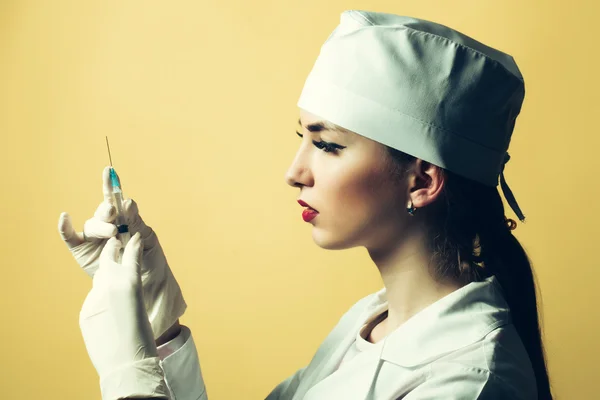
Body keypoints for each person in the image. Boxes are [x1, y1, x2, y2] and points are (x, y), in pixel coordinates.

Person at [57, 10, 553, 400]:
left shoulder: (470, 383)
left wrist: (132, 378)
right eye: (303, 139)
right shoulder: (371, 322)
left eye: (327, 145)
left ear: (422, 179)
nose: (294, 173)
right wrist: (159, 330)